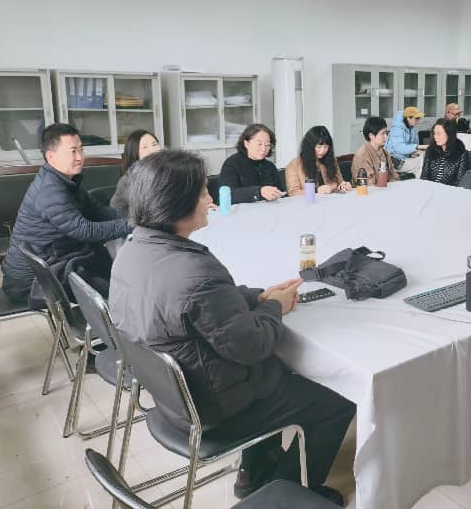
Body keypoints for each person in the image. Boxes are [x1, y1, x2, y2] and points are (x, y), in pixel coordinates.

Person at [109, 150, 355, 505]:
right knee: (336, 398)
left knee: (278, 370)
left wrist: (258, 296)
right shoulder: (194, 272)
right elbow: (253, 345)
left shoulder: (132, 249)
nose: (209, 198)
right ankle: (287, 491)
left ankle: (254, 471)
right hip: (215, 408)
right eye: (202, 192)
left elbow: (201, 306)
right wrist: (275, 306)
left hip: (170, 396)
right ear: (176, 204)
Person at [1, 123, 131, 305]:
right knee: (110, 285)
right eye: (73, 151)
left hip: (51, 260)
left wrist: (135, 219)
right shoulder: (50, 190)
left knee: (109, 268)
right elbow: (85, 231)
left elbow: (99, 212)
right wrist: (131, 225)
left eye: (81, 150)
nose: (80, 157)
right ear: (51, 157)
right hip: (30, 282)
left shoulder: (66, 181)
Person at [219, 124, 286, 204]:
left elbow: (280, 191)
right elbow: (228, 195)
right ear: (246, 144)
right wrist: (259, 192)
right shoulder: (232, 164)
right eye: (259, 144)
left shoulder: (269, 166)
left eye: (267, 145)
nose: (263, 149)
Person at [285, 126, 351, 197]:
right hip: (308, 203)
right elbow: (293, 193)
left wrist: (343, 186)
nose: (322, 151)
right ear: (310, 146)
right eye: (319, 147)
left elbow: (339, 182)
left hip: (331, 200)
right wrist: (316, 191)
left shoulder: (331, 160)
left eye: (326, 147)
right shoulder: (294, 165)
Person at [110, 129, 161, 218]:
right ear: (135, 153)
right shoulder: (128, 180)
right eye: (145, 147)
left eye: (154, 144)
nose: (153, 150)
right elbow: (151, 208)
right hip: (128, 222)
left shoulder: (164, 171)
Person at [351, 116, 400, 186]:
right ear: (371, 136)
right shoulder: (362, 155)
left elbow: (394, 176)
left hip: (384, 189)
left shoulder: (385, 153)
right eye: (382, 133)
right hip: (368, 191)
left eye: (386, 133)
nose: (386, 137)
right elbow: (369, 184)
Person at [420, 118, 469, 186]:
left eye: (439, 133)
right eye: (434, 133)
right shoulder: (431, 150)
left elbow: (460, 182)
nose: (435, 137)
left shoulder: (460, 153)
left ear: (449, 134)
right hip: (430, 188)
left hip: (448, 190)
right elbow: (424, 176)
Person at [385, 106, 427, 176]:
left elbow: (414, 145)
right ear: (408, 118)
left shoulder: (413, 129)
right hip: (394, 161)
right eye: (416, 118)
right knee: (422, 164)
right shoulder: (397, 130)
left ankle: (416, 181)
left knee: (424, 159)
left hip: (404, 159)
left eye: (419, 118)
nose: (418, 121)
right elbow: (400, 148)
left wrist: (414, 153)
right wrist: (418, 147)